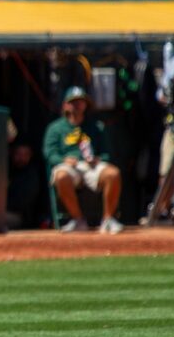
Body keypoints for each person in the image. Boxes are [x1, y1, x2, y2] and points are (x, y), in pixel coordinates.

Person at [42, 87, 123, 234]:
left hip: (91, 166)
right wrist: (63, 160)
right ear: (65, 105)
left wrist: (97, 159)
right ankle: (78, 220)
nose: (77, 105)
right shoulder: (55, 128)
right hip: (69, 167)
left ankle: (108, 220)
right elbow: (49, 154)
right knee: (61, 176)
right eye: (73, 102)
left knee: (113, 173)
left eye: (80, 102)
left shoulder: (96, 126)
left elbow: (107, 154)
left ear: (86, 105)